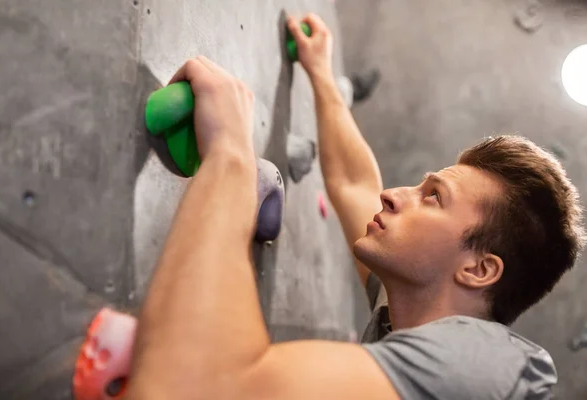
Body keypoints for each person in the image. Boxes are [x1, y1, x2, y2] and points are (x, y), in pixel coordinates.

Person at [126, 13, 585, 400]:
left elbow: (193, 387)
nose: (393, 194)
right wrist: (321, 73)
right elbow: (353, 182)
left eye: (433, 198)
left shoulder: (478, 366)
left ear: (479, 270)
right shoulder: (413, 308)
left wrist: (229, 153)